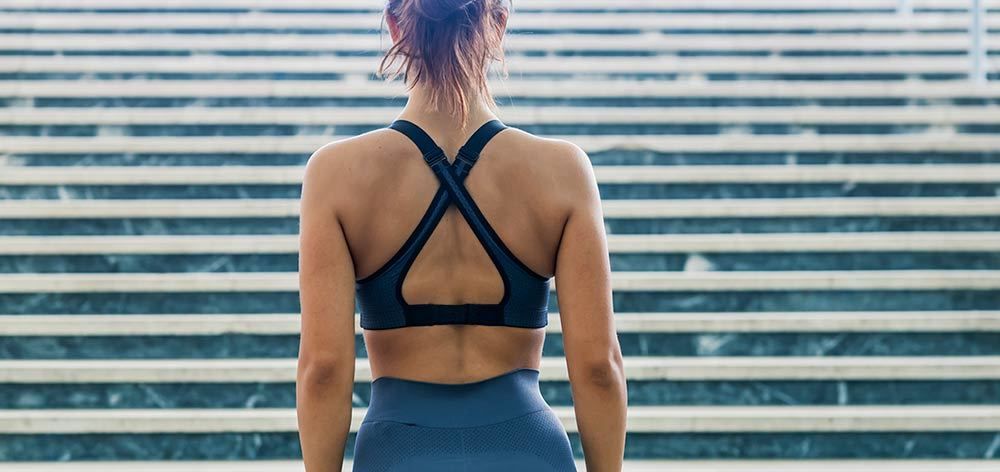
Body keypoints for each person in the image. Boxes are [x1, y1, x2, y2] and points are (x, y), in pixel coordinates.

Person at [295, 0, 627, 470]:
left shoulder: (336, 174)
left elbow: (323, 370)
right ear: (499, 23)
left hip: (398, 452)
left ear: (394, 26)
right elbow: (599, 368)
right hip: (527, 449)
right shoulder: (562, 171)